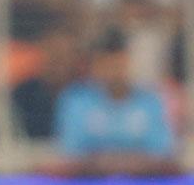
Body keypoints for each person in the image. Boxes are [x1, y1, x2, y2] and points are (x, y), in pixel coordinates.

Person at [54, 28, 178, 177]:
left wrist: (119, 163)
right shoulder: (76, 101)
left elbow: (163, 153)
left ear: (129, 62)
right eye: (106, 64)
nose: (113, 72)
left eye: (118, 64)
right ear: (94, 65)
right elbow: (71, 153)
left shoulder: (151, 101)